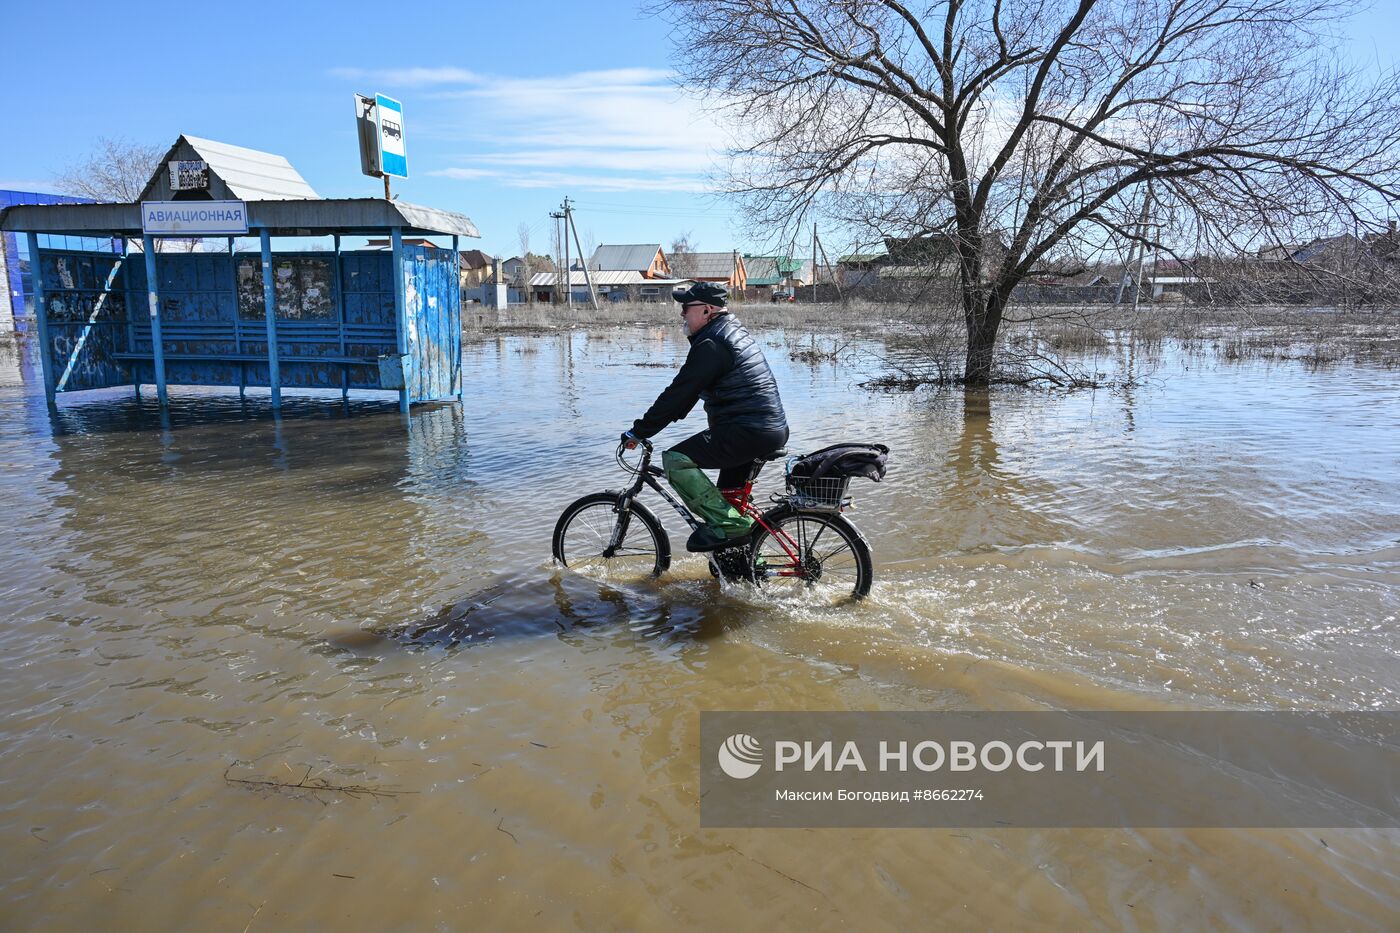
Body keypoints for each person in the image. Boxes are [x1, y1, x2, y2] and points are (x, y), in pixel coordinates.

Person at [622, 283, 789, 552]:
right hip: (763, 429)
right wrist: (656, 423)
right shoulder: (728, 332)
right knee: (727, 505)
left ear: (707, 310)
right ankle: (744, 565)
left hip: (748, 430)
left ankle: (733, 526)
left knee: (675, 461)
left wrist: (639, 432)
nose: (682, 314)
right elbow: (687, 395)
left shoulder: (712, 343)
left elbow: (678, 393)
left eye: (686, 308)